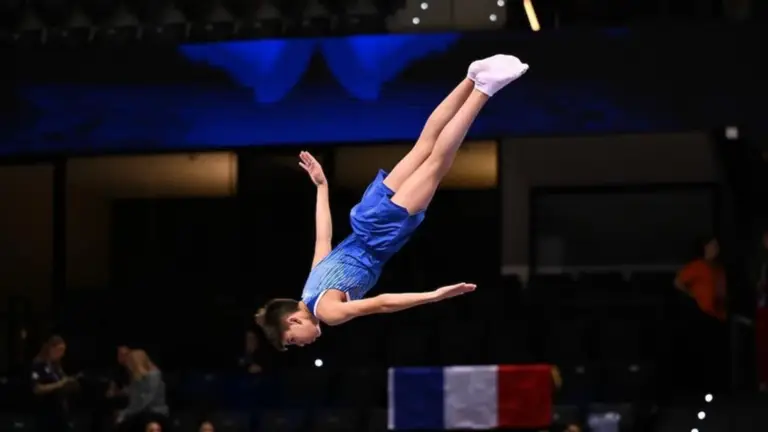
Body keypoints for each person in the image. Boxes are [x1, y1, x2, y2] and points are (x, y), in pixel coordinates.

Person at [255, 54, 529, 350]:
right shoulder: (310, 286)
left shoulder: (328, 313)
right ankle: (471, 77)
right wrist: (322, 187)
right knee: (424, 146)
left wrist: (433, 296)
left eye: (293, 341)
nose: (302, 344)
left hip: (379, 235)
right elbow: (323, 237)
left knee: (438, 162)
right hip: (365, 216)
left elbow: (381, 304)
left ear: (294, 320)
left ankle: (484, 89)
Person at [30, 335, 78, 432]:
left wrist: (69, 381)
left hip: (60, 413)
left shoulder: (56, 365)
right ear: (51, 349)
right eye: (60, 350)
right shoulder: (38, 364)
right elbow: (37, 388)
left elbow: (62, 379)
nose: (62, 354)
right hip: (46, 414)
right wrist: (59, 384)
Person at [116, 350, 169, 431]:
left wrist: (125, 414)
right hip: (141, 413)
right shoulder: (137, 378)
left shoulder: (154, 375)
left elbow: (145, 401)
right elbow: (135, 401)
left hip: (155, 412)